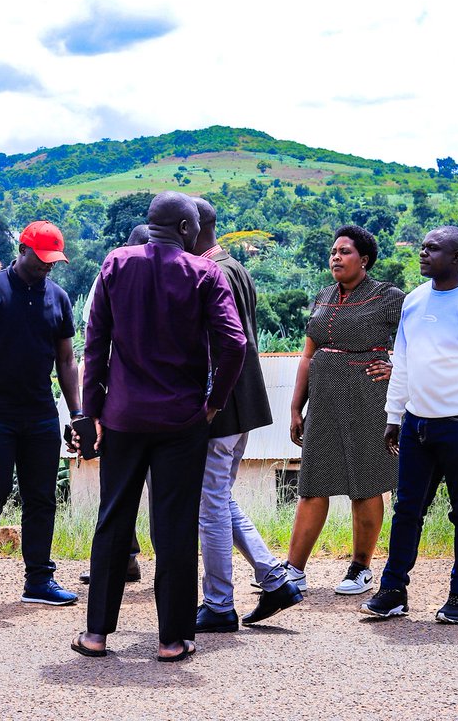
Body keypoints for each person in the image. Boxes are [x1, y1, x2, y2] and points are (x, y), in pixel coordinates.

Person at [73, 191, 247, 663]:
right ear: (188, 230)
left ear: (150, 225)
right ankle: (171, 639)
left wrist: (92, 412)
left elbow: (95, 346)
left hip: (123, 418)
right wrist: (213, 402)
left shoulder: (115, 264)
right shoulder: (205, 272)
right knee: (173, 526)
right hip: (181, 420)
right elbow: (235, 344)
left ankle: (96, 635)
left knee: (113, 520)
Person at [360, 226, 458, 625]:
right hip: (417, 424)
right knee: (407, 508)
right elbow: (404, 362)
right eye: (423, 247)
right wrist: (395, 416)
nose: (423, 254)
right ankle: (393, 590)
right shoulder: (414, 301)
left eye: (433, 249)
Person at [0, 221, 82, 606]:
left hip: (40, 413)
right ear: (22, 249)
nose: (47, 267)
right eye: (41, 259)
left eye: (52, 261)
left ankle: (39, 580)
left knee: (41, 498)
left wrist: (77, 413)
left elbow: (67, 360)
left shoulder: (58, 297)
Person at [191, 198, 296, 634]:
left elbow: (225, 343)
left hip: (222, 402)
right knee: (218, 497)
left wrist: (210, 400)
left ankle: (218, 604)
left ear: (190, 227)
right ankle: (274, 579)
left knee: (209, 504)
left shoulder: (212, 271)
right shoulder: (234, 266)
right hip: (239, 400)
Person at [286, 225, 404, 596]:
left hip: (368, 398)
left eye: (345, 251)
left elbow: (419, 342)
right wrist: (295, 406)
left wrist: (399, 367)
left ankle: (360, 568)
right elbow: (308, 354)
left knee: (365, 485)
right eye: (333, 251)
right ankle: (293, 571)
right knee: (312, 484)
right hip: (322, 400)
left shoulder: (388, 296)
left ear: (364, 259)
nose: (335, 257)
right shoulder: (323, 296)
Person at [78, 223, 149, 587]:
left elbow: (94, 346)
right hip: (164, 409)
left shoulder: (113, 274)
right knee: (135, 492)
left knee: (118, 491)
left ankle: (121, 561)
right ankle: (128, 560)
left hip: (122, 405)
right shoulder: (114, 274)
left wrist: (94, 406)